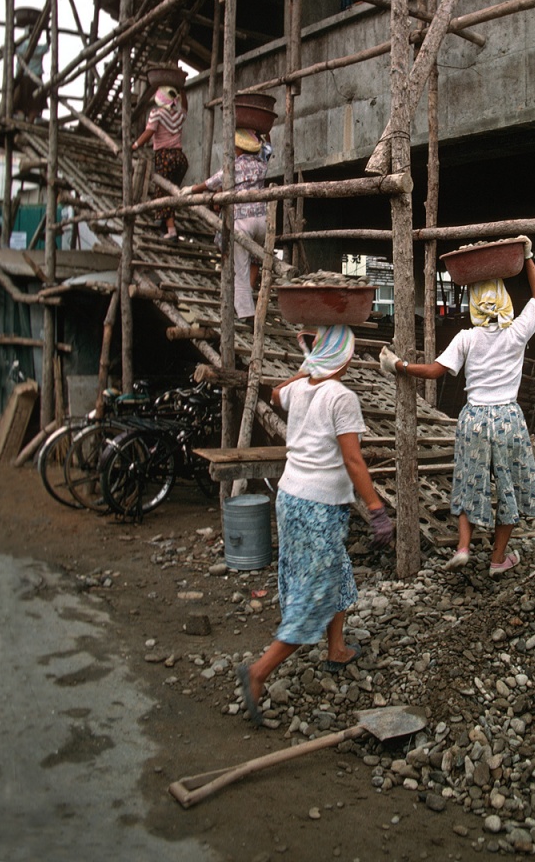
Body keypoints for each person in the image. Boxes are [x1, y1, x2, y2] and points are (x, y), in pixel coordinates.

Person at [235, 324, 394, 726]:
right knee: (315, 593)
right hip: (318, 506)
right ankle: (259, 671)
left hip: (290, 498)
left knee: (335, 570)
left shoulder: (299, 389)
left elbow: (275, 393)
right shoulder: (342, 398)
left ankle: (336, 648)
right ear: (346, 358)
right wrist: (376, 508)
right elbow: (354, 461)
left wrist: (307, 366)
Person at [380, 236, 535, 577]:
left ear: (473, 303)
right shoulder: (517, 333)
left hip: (474, 419)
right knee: (508, 488)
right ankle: (498, 558)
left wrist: (398, 365)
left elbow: (434, 371)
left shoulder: (467, 338)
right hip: (507, 418)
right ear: (504, 299)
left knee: (469, 482)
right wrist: (528, 256)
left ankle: (464, 547)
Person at [183, 128, 271, 323]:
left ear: (238, 148)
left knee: (240, 267)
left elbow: (212, 182)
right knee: (255, 260)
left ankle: (246, 312)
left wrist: (190, 189)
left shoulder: (233, 165)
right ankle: (248, 298)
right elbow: (268, 147)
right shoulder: (262, 163)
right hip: (262, 222)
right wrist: (262, 132)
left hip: (242, 221)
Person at [132, 85, 188, 239]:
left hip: (165, 158)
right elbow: (185, 108)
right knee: (171, 191)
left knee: (163, 192)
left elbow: (149, 132)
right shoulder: (178, 116)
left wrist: (135, 146)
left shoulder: (156, 114)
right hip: (180, 159)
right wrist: (182, 90)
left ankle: (171, 230)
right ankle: (163, 221)